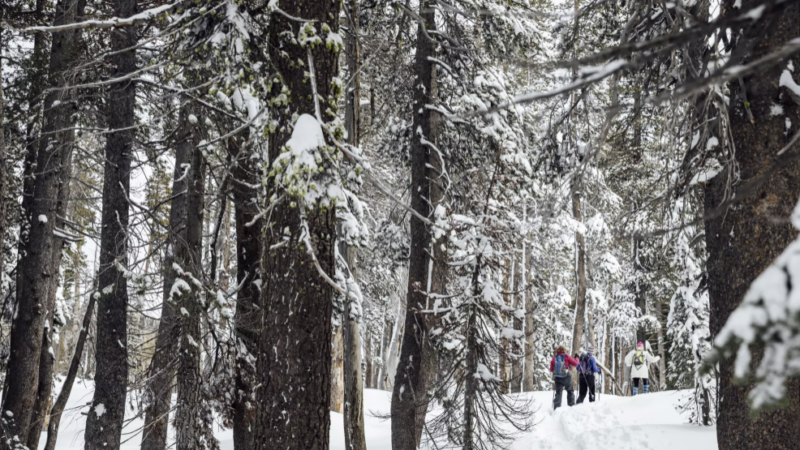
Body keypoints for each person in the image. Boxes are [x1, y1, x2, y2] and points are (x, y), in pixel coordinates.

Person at [550, 345, 579, 409]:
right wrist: (577, 358)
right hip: (567, 377)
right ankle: (571, 407)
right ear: (564, 350)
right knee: (570, 391)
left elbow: (551, 369)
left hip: (557, 377)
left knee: (558, 393)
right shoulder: (567, 356)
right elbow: (575, 364)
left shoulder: (554, 357)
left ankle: (556, 409)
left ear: (557, 351)